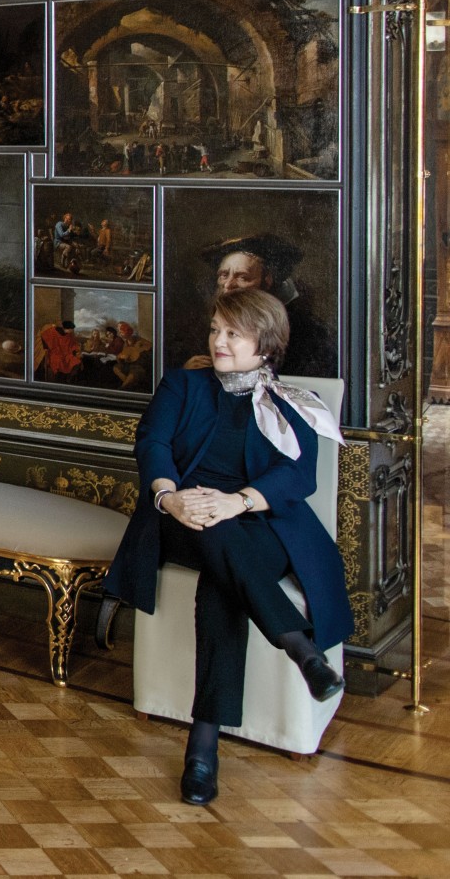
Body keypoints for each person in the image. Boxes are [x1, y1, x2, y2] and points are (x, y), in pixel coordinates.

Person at [103, 289, 348, 806]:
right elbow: (152, 443)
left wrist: (237, 502)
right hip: (179, 517)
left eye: (234, 333)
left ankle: (203, 747)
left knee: (223, 575)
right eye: (216, 329)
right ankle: (300, 649)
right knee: (213, 535)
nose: (219, 340)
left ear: (266, 344)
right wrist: (169, 498)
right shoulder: (183, 385)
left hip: (260, 524)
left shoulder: (290, 403)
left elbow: (298, 476)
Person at [183, 233, 336, 377]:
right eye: (224, 275)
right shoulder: (208, 327)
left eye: (242, 277)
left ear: (267, 281)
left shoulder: (304, 332)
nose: (228, 285)